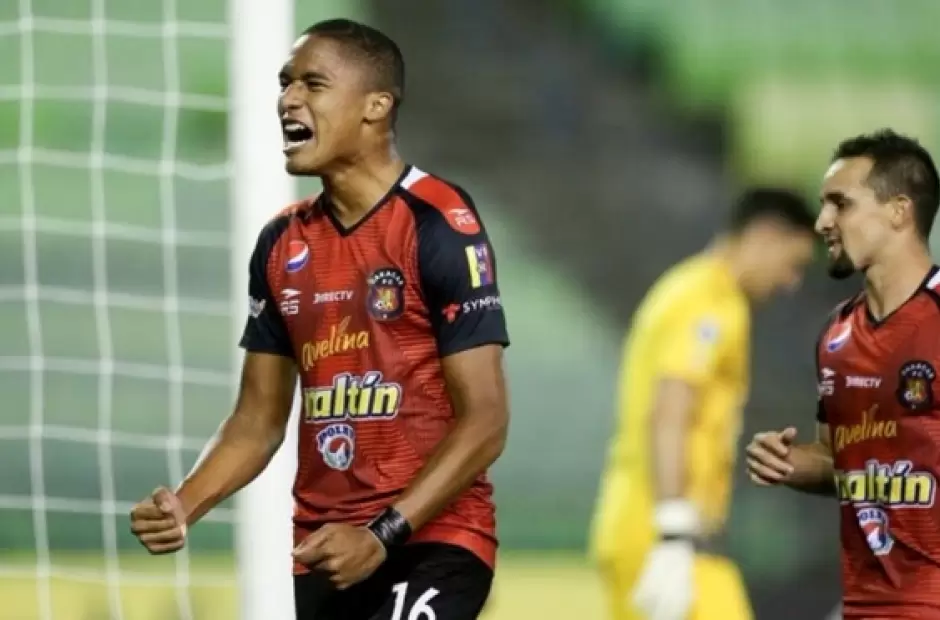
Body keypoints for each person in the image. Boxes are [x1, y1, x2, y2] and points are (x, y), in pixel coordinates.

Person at [128, 18, 511, 620]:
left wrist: (382, 534)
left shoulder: (438, 220)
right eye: (285, 83)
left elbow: (486, 419)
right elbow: (257, 421)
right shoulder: (282, 242)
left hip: (431, 541)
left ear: (376, 106)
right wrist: (184, 504)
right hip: (324, 555)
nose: (288, 99)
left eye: (313, 83)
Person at [589, 188, 817, 620]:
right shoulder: (705, 302)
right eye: (793, 264)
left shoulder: (705, 295)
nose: (791, 283)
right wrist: (673, 532)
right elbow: (671, 409)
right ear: (765, 236)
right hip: (663, 532)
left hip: (666, 531)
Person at [746, 129, 940, 618]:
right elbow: (842, 461)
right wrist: (794, 463)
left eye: (841, 204)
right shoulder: (837, 335)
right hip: (864, 603)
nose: (822, 222)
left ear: (899, 211)